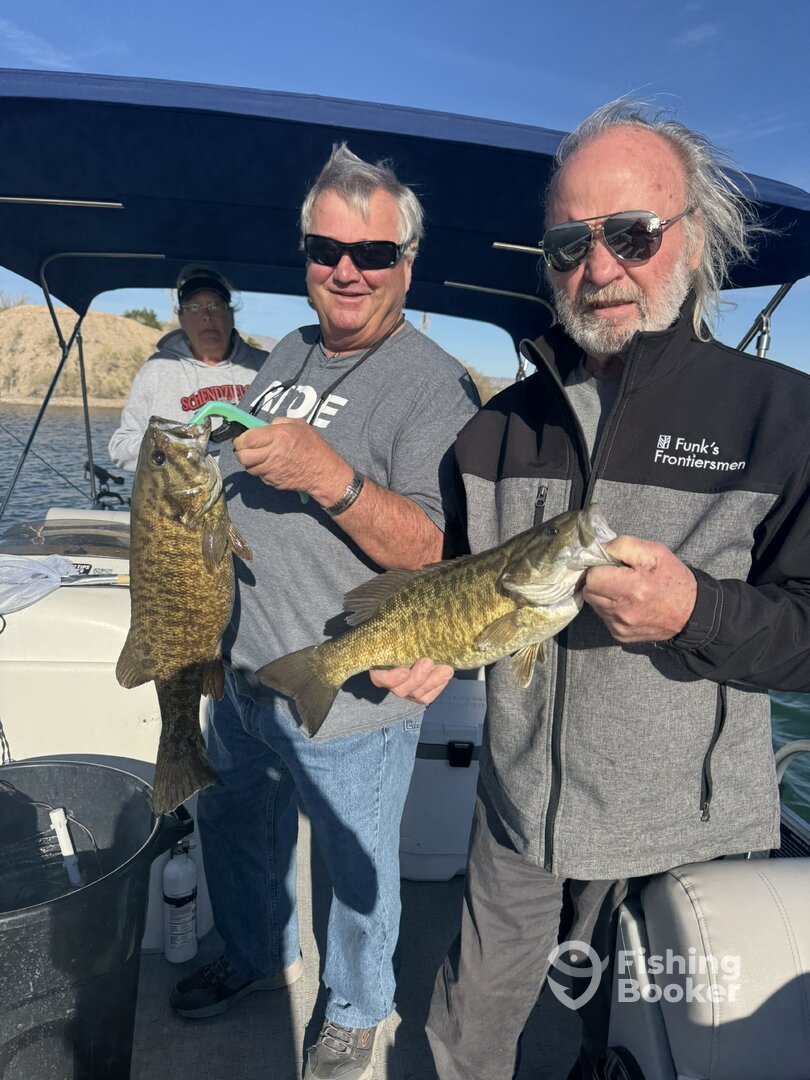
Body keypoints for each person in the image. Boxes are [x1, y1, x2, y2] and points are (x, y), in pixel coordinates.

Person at [373, 100, 810, 1080]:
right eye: (570, 243)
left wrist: (697, 611)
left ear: (693, 239)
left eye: (632, 233)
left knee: (635, 1048)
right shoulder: (493, 429)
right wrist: (425, 647)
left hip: (682, 838)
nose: (599, 266)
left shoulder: (783, 417)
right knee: (461, 1038)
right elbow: (457, 590)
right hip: (516, 818)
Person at [169, 143, 479, 1080]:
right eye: (326, 249)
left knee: (354, 864)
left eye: (372, 253)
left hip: (350, 691)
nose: (347, 270)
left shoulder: (436, 385)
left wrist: (330, 477)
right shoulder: (291, 350)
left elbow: (435, 549)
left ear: (406, 263)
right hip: (242, 669)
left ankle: (355, 1007)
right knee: (237, 828)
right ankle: (258, 955)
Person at [108, 265, 266, 469]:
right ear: (181, 317)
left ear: (231, 314)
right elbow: (120, 447)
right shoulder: (156, 369)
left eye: (215, 306)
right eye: (194, 308)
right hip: (185, 488)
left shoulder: (267, 365)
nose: (206, 315)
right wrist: (171, 446)